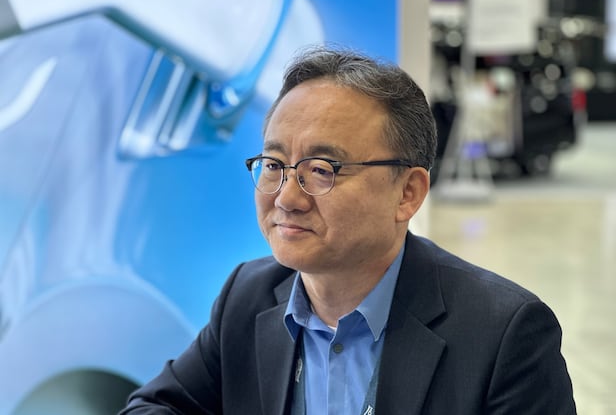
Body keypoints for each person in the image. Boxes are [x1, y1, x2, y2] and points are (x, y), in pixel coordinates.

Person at [120, 46, 576, 414]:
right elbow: (154, 406)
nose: (287, 198)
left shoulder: (501, 333)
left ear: (407, 193)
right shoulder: (249, 296)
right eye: (274, 165)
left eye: (322, 170)